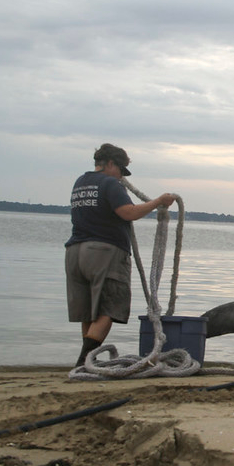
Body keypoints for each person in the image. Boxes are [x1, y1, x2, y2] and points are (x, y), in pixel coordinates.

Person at [65, 143, 177, 367]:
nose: (121, 176)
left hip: (75, 253)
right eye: (120, 169)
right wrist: (157, 202)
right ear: (109, 163)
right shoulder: (110, 184)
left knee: (89, 312)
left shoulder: (80, 182)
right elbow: (128, 213)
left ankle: (86, 361)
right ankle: (83, 363)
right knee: (110, 308)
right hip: (104, 253)